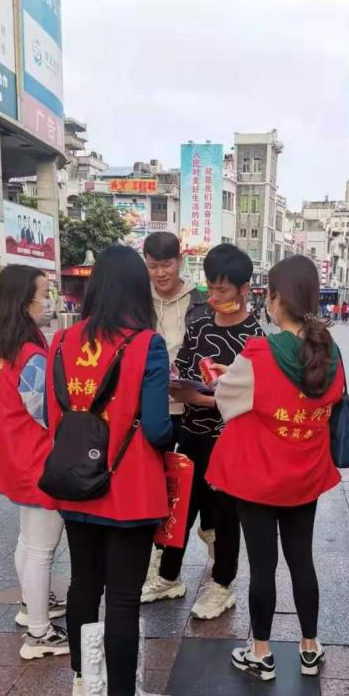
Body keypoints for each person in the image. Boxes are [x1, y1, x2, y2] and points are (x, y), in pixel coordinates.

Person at [45, 244, 175, 696]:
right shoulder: (146, 344)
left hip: (74, 482)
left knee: (83, 583)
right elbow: (158, 429)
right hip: (128, 490)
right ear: (138, 290)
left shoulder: (61, 341)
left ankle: (84, 681)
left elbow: (51, 416)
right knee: (122, 596)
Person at [207, 255, 345, 681]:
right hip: (306, 476)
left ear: (276, 299)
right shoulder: (331, 353)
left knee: (262, 566)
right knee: (302, 560)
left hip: (260, 479)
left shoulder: (260, 352)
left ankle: (262, 653)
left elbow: (228, 400)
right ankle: (309, 648)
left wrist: (226, 377)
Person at [141, 243, 263, 619]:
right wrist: (176, 384)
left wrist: (204, 399)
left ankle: (222, 585)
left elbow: (256, 398)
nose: (215, 297)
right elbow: (181, 367)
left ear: (245, 289)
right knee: (179, 507)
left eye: (223, 290)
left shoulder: (255, 338)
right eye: (211, 289)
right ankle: (168, 576)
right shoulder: (199, 327)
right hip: (192, 433)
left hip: (231, 440)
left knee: (225, 515)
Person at [0, 265, 68, 660]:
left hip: (17, 457)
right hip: (37, 461)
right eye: (44, 295)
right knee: (41, 549)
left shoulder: (10, 346)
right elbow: (48, 414)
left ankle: (30, 605)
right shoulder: (31, 354)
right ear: (23, 302)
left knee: (28, 540)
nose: (48, 302)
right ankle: (39, 633)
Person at [143, 231, 212, 571]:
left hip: (190, 409)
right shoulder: (139, 301)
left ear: (179, 261)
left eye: (166, 265)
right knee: (155, 483)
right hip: (152, 409)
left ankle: (208, 533)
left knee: (192, 484)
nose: (160, 273)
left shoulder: (200, 302)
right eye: (153, 266)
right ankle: (159, 553)